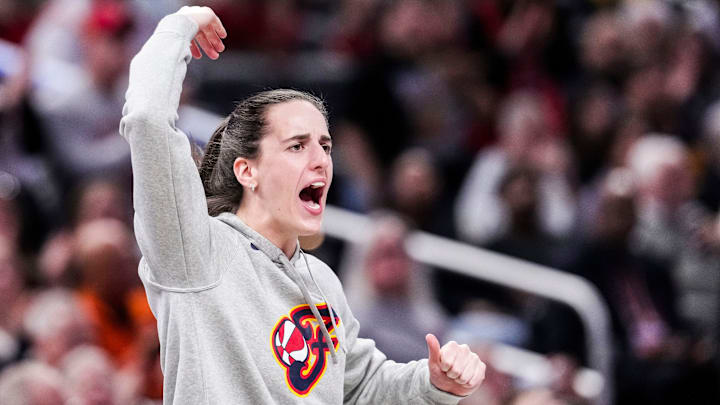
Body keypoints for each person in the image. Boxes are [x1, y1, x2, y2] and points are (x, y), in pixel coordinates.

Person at [119, 5, 485, 404]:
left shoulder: (322, 279)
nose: (321, 160)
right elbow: (147, 119)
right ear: (247, 171)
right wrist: (180, 25)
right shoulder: (196, 249)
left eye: (325, 146)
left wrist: (433, 383)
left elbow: (362, 386)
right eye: (297, 145)